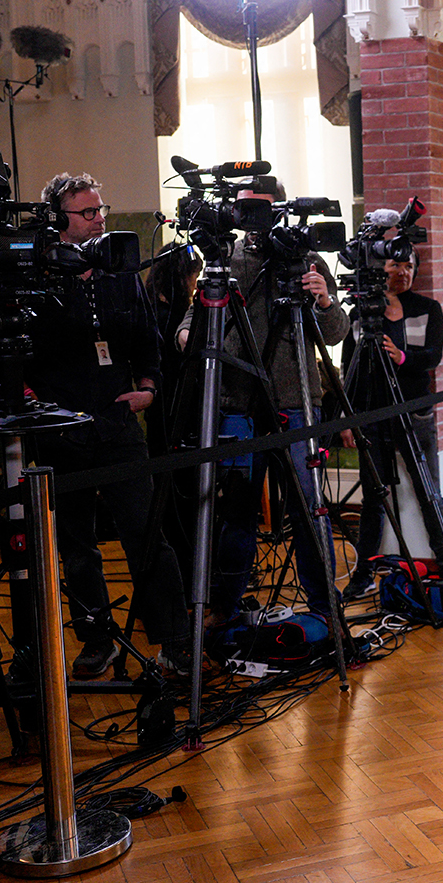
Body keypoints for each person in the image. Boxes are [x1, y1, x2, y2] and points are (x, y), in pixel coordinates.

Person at [28, 172, 191, 679]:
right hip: (60, 430)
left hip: (119, 424)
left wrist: (147, 387)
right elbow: (18, 355)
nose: (101, 220)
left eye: (102, 210)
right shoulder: (35, 274)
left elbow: (148, 340)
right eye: (89, 213)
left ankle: (174, 640)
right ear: (60, 219)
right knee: (76, 546)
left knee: (145, 535)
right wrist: (34, 401)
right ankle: (97, 640)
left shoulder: (118, 269)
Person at [176, 175, 346, 618]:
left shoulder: (305, 259)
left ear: (281, 209)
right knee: (236, 516)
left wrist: (325, 302)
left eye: (262, 209)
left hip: (295, 402)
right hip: (238, 405)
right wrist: (188, 337)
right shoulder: (223, 258)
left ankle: (326, 608)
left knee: (310, 513)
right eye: (244, 209)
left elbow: (335, 333)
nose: (252, 219)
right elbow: (190, 321)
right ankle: (225, 611)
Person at [343, 242, 443, 596]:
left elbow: (433, 355)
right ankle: (362, 575)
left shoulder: (428, 308)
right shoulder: (360, 312)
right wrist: (348, 417)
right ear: (379, 268)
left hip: (414, 414)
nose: (402, 271)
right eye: (395, 265)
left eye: (408, 265)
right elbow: (351, 368)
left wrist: (403, 358)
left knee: (428, 490)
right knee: (374, 497)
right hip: (372, 415)